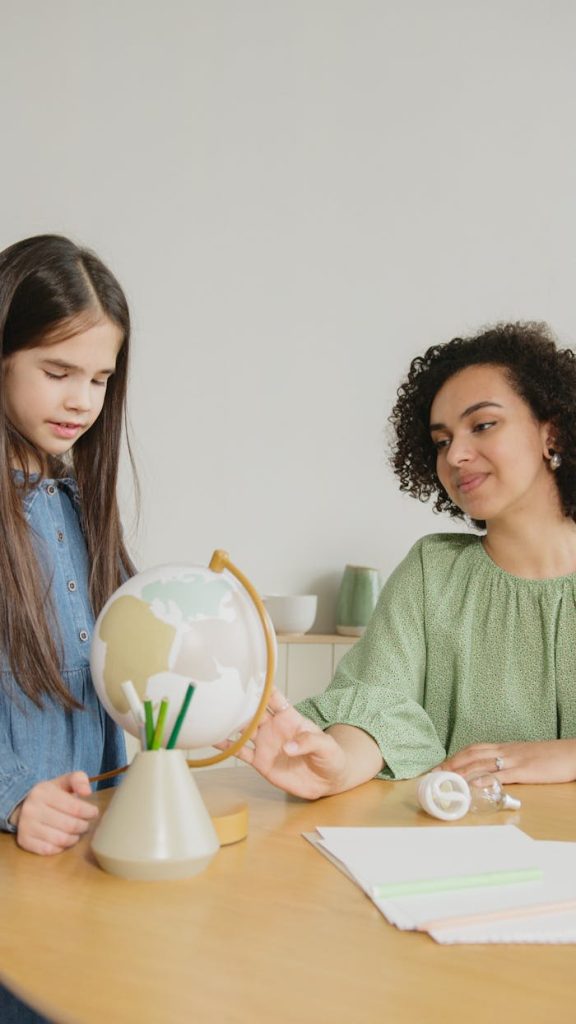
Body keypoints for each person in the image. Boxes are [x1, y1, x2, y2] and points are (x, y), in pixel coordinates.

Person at [233, 322, 576, 798]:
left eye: (482, 425)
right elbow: (379, 700)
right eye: (441, 441)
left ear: (551, 432)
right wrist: (337, 766)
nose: (456, 454)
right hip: (467, 858)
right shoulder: (431, 572)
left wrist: (566, 754)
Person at [0, 234, 135, 856]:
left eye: (100, 379)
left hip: (94, 835)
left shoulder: (79, 506)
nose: (82, 401)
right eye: (57, 372)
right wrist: (14, 795)